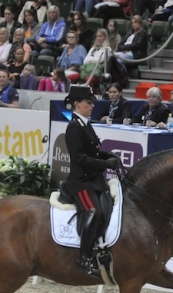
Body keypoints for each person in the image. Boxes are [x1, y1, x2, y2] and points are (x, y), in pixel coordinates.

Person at [61, 85, 119, 277]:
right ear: (77, 104)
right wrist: (105, 164)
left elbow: (91, 152)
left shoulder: (86, 124)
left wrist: (107, 155)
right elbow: (80, 158)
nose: (92, 106)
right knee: (92, 212)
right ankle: (84, 259)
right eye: (88, 102)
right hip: (81, 182)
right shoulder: (73, 127)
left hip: (94, 180)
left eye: (92, 102)